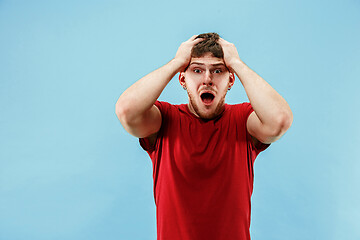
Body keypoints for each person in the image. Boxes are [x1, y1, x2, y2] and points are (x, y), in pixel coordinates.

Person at [115, 33, 293, 240]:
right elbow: (126, 111)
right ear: (182, 79)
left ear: (231, 80)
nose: (207, 79)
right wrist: (176, 63)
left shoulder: (244, 121)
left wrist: (236, 62)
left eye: (218, 71)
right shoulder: (164, 120)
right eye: (197, 70)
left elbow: (279, 121)